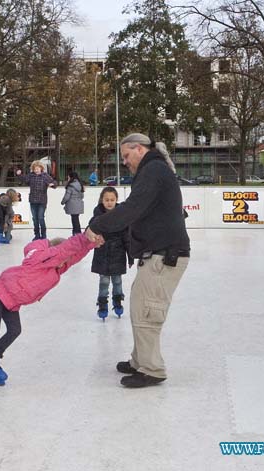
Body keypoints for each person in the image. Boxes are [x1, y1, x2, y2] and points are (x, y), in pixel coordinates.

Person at [85, 133, 190, 389]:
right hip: (158, 254)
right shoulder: (154, 170)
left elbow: (132, 208)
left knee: (148, 311)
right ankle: (139, 360)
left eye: (126, 156)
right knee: (140, 306)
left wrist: (97, 225)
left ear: (140, 149)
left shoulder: (153, 170)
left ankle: (152, 369)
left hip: (165, 255)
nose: (125, 162)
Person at [0, 233, 100, 389]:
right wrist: (83, 238)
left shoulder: (55, 269)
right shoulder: (38, 260)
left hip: (11, 301)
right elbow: (63, 252)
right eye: (62, 259)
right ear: (54, 254)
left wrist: (90, 244)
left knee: (15, 330)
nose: (64, 263)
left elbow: (72, 257)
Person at [90, 187, 132, 321]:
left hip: (118, 255)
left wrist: (130, 256)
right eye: (107, 200)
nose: (109, 202)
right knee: (104, 281)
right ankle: (102, 305)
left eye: (112, 200)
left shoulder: (122, 217)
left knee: (117, 281)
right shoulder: (96, 217)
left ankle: (117, 302)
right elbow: (89, 233)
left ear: (116, 200)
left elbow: (127, 239)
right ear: (102, 200)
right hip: (102, 255)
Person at [16, 161, 56, 240]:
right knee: (35, 218)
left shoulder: (45, 176)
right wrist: (19, 174)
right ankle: (37, 235)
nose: (36, 170)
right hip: (33, 201)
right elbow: (24, 179)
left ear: (41, 168)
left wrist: (53, 184)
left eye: (37, 168)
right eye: (34, 169)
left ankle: (43, 235)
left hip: (42, 201)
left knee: (40, 217)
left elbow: (54, 183)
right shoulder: (31, 176)